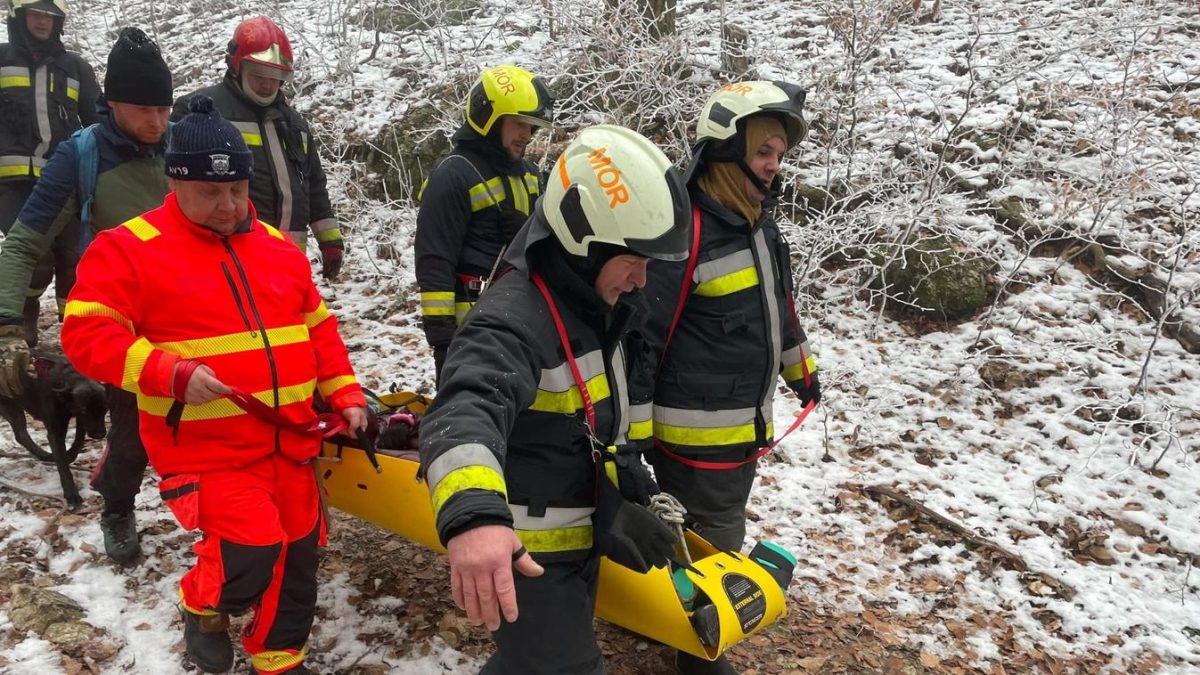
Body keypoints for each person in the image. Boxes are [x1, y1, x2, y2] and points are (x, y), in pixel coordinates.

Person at [61, 95, 367, 675]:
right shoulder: (127, 249)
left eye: (238, 192)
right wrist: (166, 372)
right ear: (175, 183)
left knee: (298, 556)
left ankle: (278, 654)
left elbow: (318, 331)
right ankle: (203, 603)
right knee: (249, 551)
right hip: (207, 453)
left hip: (291, 442)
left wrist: (345, 393)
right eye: (210, 193)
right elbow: (85, 336)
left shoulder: (279, 250)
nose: (229, 207)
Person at [420, 125, 690, 675]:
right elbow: (462, 412)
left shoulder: (593, 308)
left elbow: (585, 422)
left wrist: (633, 487)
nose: (642, 281)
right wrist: (473, 518)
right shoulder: (511, 322)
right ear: (584, 243)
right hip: (523, 554)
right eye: (634, 260)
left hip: (574, 542)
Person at [642, 81, 821, 675]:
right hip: (693, 437)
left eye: (779, 154)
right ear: (724, 150)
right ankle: (697, 653)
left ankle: (657, 614)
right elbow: (643, 337)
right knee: (713, 542)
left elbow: (780, 310)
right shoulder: (684, 233)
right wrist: (633, 429)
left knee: (701, 533)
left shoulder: (760, 229)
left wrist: (802, 371)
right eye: (764, 151)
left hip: (745, 425)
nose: (774, 167)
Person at [0, 26, 173, 564]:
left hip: (190, 308)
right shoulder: (83, 155)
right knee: (135, 427)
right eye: (144, 109)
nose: (157, 122)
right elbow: (24, 241)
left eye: (165, 109)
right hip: (118, 317)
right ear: (113, 102)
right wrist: (7, 326)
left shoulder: (182, 144)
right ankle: (118, 506)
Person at [172, 15, 344, 280]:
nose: (267, 85)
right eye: (259, 76)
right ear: (237, 68)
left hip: (288, 258)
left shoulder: (295, 124)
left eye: (275, 78)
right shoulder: (201, 112)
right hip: (226, 257)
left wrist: (329, 239)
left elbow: (314, 184)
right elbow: (175, 185)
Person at [414, 64, 552, 381]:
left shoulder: (530, 174)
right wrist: (441, 335)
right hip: (468, 332)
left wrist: (529, 233)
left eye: (531, 127)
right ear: (488, 120)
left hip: (524, 325)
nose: (527, 135)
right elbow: (435, 256)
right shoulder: (454, 174)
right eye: (519, 124)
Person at [0, 0, 99, 344]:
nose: (43, 22)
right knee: (35, 257)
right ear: (20, 16)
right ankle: (22, 317)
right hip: (12, 182)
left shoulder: (76, 68)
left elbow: (96, 121)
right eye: (36, 14)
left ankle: (76, 334)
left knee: (75, 257)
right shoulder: (2, 59)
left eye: (50, 16)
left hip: (66, 179)